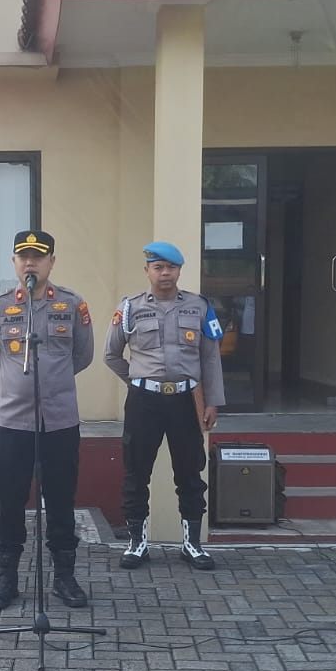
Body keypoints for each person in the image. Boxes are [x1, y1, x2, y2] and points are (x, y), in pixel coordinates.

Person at [0, 230, 96, 610]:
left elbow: (83, 355)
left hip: (60, 421)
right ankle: (7, 579)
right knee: (9, 501)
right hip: (13, 422)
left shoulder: (72, 305)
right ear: (14, 262)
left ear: (51, 262)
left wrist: (52, 383)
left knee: (61, 499)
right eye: (23, 257)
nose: (31, 263)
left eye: (38, 257)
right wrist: (16, 382)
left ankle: (64, 578)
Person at [103, 241, 225, 570]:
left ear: (179, 270)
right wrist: (138, 381)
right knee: (136, 472)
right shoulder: (130, 308)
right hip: (144, 402)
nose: (165, 273)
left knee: (190, 472)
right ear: (147, 271)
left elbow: (210, 358)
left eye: (171, 267)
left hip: (185, 401)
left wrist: (212, 401)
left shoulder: (199, 307)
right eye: (158, 267)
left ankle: (192, 544)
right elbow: (111, 355)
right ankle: (137, 544)